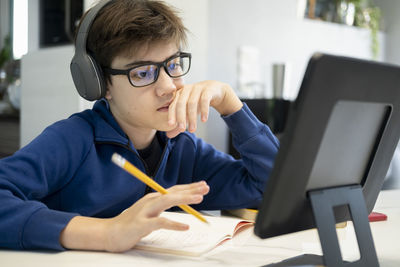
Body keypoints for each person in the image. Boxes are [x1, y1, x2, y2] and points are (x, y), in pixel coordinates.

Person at [0, 0, 279, 253]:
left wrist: (232, 106)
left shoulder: (184, 147)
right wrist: (105, 233)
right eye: (143, 73)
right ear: (100, 83)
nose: (168, 86)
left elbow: (272, 187)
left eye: (174, 64)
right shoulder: (72, 140)